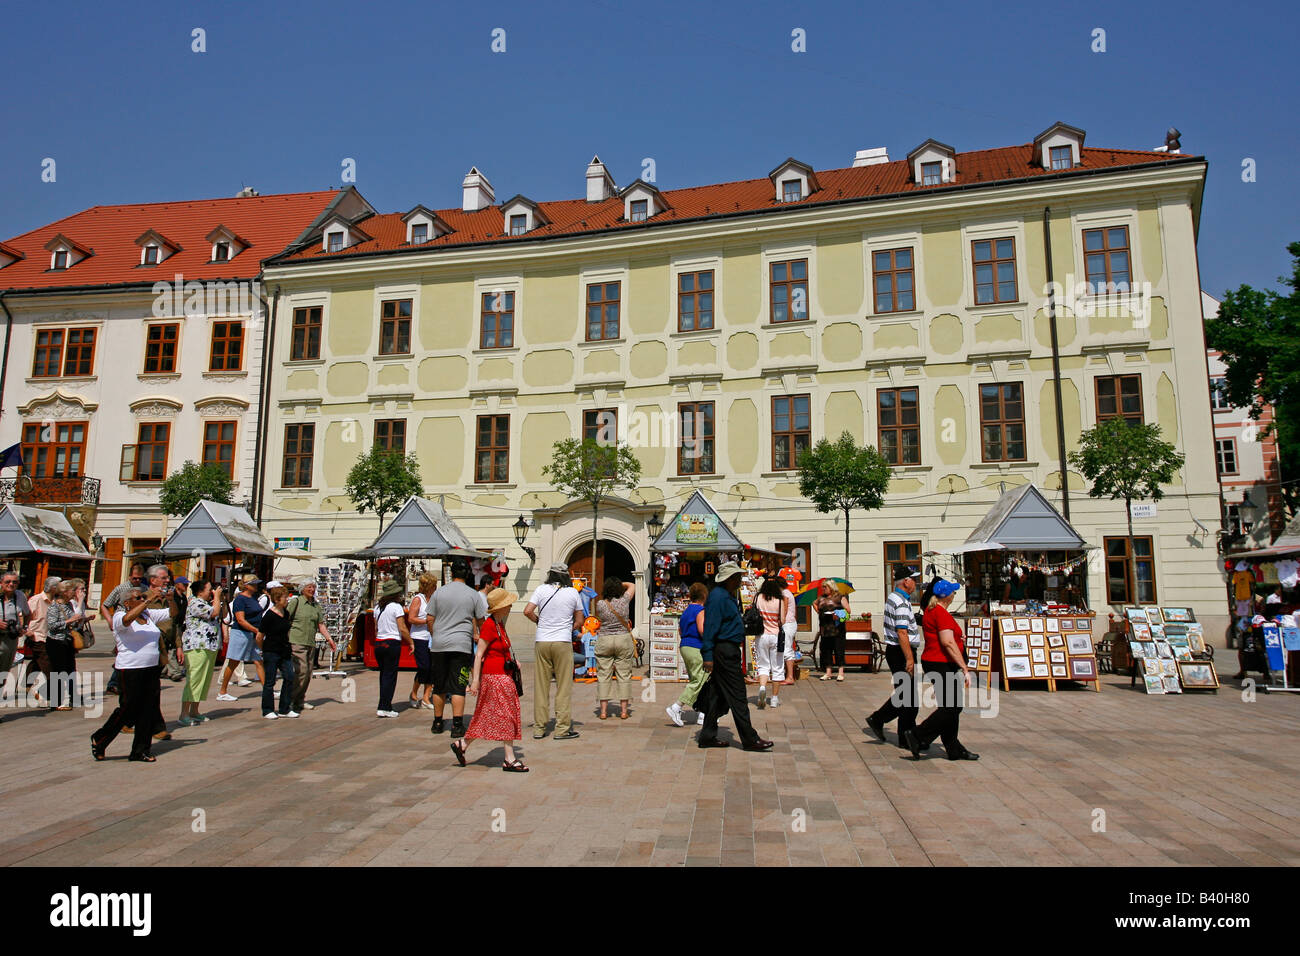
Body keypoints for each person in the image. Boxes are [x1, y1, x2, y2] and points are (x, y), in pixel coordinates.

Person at [451, 587, 528, 772]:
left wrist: (512, 661)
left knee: (487, 714)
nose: (510, 607)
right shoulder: (489, 625)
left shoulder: (499, 624)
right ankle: (509, 758)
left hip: (502, 674)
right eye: (507, 604)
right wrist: (475, 680)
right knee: (507, 714)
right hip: (495, 677)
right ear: (500, 607)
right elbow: (479, 655)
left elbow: (500, 650)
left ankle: (462, 744)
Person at [698, 563, 772, 752]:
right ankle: (750, 739)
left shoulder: (726, 596)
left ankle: (707, 735)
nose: (740, 579)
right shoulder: (718, 597)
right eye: (737, 576)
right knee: (738, 695)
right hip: (723, 650)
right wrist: (707, 655)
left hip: (728, 649)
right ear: (729, 579)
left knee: (716, 694)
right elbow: (710, 627)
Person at [91, 585, 170, 762]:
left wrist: (172, 599)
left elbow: (172, 613)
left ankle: (140, 750)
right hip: (130, 670)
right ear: (127, 603)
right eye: (139, 598)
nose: (142, 599)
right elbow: (127, 620)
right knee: (128, 709)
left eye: (143, 597)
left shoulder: (148, 616)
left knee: (148, 710)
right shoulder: (119, 616)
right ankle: (100, 738)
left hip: (150, 669)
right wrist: (149, 600)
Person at [903, 579, 978, 761]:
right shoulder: (941, 613)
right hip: (941, 663)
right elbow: (948, 642)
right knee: (952, 707)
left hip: (935, 662)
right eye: (953, 592)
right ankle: (917, 735)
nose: (954, 594)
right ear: (947, 596)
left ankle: (953, 748)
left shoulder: (931, 610)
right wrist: (964, 667)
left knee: (950, 707)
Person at [427, 561, 488, 737]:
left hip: (439, 646)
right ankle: (457, 724)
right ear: (468, 574)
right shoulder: (473, 595)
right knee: (459, 685)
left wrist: (435, 634)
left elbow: (430, 618)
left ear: (451, 573)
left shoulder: (439, 592)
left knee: (439, 686)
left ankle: (437, 722)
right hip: (461, 645)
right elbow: (481, 620)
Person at [524, 564, 585, 740]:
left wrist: (539, 622)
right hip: (562, 641)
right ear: (566, 576)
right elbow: (580, 620)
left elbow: (527, 611)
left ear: (550, 574)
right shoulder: (573, 592)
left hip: (542, 640)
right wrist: (569, 627)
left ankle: (539, 727)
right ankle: (562, 728)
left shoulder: (541, 589)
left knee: (541, 686)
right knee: (563, 686)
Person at [867, 566, 922, 745]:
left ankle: (904, 734)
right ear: (906, 581)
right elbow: (902, 632)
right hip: (900, 651)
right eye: (914, 579)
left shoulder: (896, 598)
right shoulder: (899, 602)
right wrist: (910, 658)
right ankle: (883, 721)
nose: (916, 583)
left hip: (897, 650)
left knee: (907, 695)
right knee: (909, 697)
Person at [179, 579, 225, 725]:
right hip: (197, 646)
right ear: (200, 591)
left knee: (204, 680)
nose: (212, 591)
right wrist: (217, 597)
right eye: (209, 589)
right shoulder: (195, 603)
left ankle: (194, 710)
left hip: (208, 646)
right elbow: (214, 612)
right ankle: (184, 713)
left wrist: (220, 599)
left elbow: (221, 614)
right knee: (194, 679)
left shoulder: (206, 603)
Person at [287, 580, 334, 714]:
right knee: (301, 671)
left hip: (310, 643)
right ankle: (290, 700)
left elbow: (321, 624)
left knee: (308, 673)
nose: (312, 589)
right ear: (302, 589)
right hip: (296, 641)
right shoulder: (296, 602)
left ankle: (300, 700)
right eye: (309, 587)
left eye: (313, 587)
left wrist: (329, 639)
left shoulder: (315, 605)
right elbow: (286, 618)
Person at [593, 576, 636, 720]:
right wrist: (620, 584)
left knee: (603, 675)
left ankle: (603, 711)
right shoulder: (624, 600)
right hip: (622, 639)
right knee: (624, 674)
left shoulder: (600, 604)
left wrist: (610, 586)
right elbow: (632, 585)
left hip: (605, 639)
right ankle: (624, 711)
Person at [666, 583, 709, 727]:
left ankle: (702, 713)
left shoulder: (686, 610)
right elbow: (702, 629)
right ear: (704, 596)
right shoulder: (700, 610)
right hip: (696, 646)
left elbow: (680, 630)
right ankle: (676, 706)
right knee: (700, 678)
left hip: (685, 645)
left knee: (698, 680)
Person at [216, 577, 266, 701]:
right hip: (241, 633)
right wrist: (256, 630)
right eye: (254, 584)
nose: (256, 586)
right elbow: (240, 619)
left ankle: (267, 689)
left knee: (259, 660)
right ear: (247, 585)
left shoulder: (253, 598)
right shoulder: (240, 599)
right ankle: (222, 691)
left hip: (253, 634)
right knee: (234, 661)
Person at [372, 580, 412, 717]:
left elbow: (376, 628)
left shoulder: (378, 607)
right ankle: (385, 707)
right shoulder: (396, 607)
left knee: (384, 675)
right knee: (390, 676)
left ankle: (383, 704)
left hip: (379, 643)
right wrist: (411, 642)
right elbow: (402, 627)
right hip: (392, 642)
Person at [43, 580, 85, 710]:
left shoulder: (69, 606)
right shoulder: (54, 607)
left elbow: (72, 622)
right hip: (56, 642)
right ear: (65, 592)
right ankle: (56, 702)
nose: (75, 592)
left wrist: (78, 621)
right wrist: (69, 621)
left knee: (70, 670)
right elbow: (52, 626)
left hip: (67, 641)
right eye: (73, 590)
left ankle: (46, 694)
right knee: (58, 671)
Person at [258, 584, 297, 719]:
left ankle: (284, 708)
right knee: (270, 681)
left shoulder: (286, 613)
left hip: (284, 650)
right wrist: (263, 649)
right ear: (277, 598)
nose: (287, 599)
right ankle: (267, 709)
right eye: (285, 597)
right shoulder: (269, 615)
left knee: (289, 676)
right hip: (271, 650)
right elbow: (259, 636)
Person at [753, 574, 789, 709]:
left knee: (763, 665)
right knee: (777, 667)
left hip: (761, 635)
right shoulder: (779, 600)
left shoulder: (758, 598)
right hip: (775, 636)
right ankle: (774, 698)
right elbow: (783, 621)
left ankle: (762, 687)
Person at [26, 577, 61, 707]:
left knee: (37, 661)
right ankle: (43, 693)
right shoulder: (36, 600)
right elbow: (24, 615)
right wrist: (27, 631)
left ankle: (28, 685)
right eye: (59, 586)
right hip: (36, 637)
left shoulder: (55, 601)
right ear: (53, 587)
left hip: (48, 637)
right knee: (48, 665)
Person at [406, 572, 437, 709]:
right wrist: (427, 621)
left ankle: (426, 697)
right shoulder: (418, 599)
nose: (436, 587)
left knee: (432, 667)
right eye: (434, 585)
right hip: (420, 637)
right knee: (424, 667)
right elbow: (411, 618)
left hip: (432, 637)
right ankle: (413, 693)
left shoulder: (435, 598)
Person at [0, 572, 31, 690]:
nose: (11, 584)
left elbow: (28, 614)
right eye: (8, 582)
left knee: (3, 671)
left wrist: (24, 628)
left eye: (15, 582)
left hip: (10, 640)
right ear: (1, 583)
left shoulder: (20, 596)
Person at [815, 581, 850, 681]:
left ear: (831, 587)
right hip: (825, 628)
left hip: (837, 628)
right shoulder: (821, 598)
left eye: (825, 587)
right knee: (826, 650)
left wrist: (838, 614)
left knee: (839, 650)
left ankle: (840, 672)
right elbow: (814, 603)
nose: (824, 589)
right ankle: (828, 672)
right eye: (823, 587)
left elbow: (848, 610)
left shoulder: (840, 597)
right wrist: (819, 612)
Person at [780, 580, 799, 685]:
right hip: (791, 622)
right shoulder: (789, 592)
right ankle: (787, 675)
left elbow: (785, 609)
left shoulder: (785, 594)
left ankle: (790, 676)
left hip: (787, 623)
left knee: (787, 649)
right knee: (787, 648)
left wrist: (780, 620)